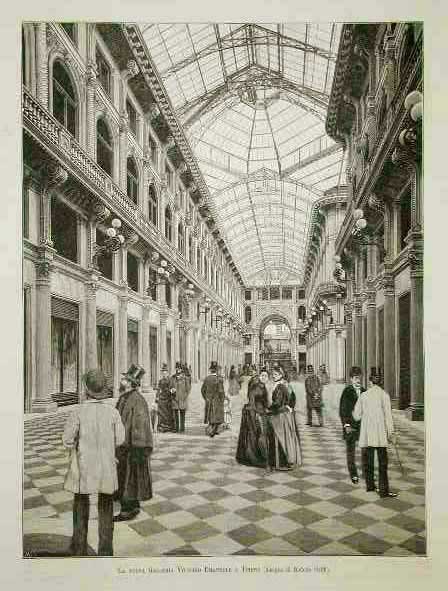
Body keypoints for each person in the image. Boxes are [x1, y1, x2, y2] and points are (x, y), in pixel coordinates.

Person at [62, 369, 125, 556]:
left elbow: (66, 439)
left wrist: (76, 444)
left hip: (84, 467)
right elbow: (120, 439)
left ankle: (79, 547)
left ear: (87, 390)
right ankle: (106, 550)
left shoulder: (78, 411)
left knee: (80, 504)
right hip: (106, 466)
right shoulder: (112, 412)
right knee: (106, 507)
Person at [114, 364, 154, 522]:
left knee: (131, 477)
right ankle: (131, 504)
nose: (122, 380)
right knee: (125, 477)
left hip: (132, 446)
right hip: (124, 445)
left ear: (131, 383)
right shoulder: (125, 397)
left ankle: (128, 510)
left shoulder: (137, 400)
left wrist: (137, 447)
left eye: (125, 379)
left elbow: (140, 426)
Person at [353, 370, 398, 498]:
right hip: (380, 434)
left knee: (367, 461)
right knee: (383, 463)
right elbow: (388, 417)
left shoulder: (364, 395)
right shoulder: (384, 395)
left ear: (370, 381)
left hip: (367, 434)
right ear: (381, 381)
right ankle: (383, 491)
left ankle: (370, 486)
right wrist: (391, 433)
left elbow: (356, 416)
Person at [266, 364, 302, 471]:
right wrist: (289, 407)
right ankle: (288, 460)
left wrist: (269, 409)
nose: (273, 376)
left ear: (281, 374)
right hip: (286, 414)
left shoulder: (280, 386)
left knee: (280, 437)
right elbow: (293, 399)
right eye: (273, 374)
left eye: (276, 374)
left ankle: (282, 462)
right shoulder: (286, 384)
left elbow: (277, 403)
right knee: (288, 437)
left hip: (280, 416)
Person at [235, 367, 270, 467]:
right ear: (259, 376)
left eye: (266, 376)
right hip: (253, 412)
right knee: (253, 434)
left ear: (268, 378)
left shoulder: (262, 386)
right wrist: (257, 413)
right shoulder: (256, 386)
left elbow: (265, 401)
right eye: (262, 375)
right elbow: (252, 400)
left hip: (259, 411)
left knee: (258, 434)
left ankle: (256, 455)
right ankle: (252, 458)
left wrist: (266, 409)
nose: (264, 377)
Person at [339, 366, 365, 484]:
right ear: (351, 379)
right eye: (355, 378)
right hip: (350, 426)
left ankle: (366, 472)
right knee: (351, 451)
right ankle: (353, 474)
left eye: (360, 378)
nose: (358, 380)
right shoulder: (347, 391)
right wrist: (347, 425)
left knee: (366, 450)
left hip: (363, 426)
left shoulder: (365, 391)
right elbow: (343, 410)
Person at [201, 361, 225, 438]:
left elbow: (202, 390)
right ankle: (214, 430)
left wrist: (206, 398)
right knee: (217, 415)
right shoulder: (219, 379)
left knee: (210, 415)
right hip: (217, 400)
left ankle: (212, 429)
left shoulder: (207, 379)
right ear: (217, 370)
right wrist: (222, 398)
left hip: (209, 400)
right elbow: (221, 391)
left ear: (210, 370)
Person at [155, 363, 176, 432]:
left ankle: (169, 427)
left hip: (168, 397)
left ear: (167, 373)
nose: (164, 374)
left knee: (168, 412)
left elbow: (173, 388)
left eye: (165, 372)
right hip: (162, 398)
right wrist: (157, 396)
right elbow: (158, 389)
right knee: (160, 412)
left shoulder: (170, 380)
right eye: (163, 373)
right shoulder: (160, 381)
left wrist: (171, 391)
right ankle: (162, 427)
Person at [171, 362, 191, 433]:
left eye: (179, 368)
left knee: (182, 414)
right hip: (175, 398)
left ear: (181, 369)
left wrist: (185, 395)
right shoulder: (173, 378)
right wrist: (171, 390)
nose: (178, 370)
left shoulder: (185, 378)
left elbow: (188, 388)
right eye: (176, 368)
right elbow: (170, 386)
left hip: (183, 398)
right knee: (175, 414)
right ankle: (176, 428)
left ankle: (182, 428)